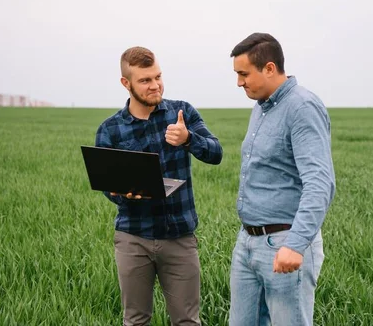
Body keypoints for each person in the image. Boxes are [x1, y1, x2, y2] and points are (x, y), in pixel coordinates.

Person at [95, 46, 223, 326]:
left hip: (179, 237)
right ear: (126, 84)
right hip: (133, 237)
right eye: (145, 80)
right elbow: (107, 184)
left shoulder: (182, 112)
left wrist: (189, 138)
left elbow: (216, 153)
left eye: (158, 77)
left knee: (187, 321)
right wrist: (120, 193)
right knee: (136, 320)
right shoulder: (110, 129)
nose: (155, 85)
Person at [228, 33, 335, 326]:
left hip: (285, 244)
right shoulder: (261, 107)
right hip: (248, 242)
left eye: (244, 74)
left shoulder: (302, 107)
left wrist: (297, 244)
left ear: (270, 68)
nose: (239, 82)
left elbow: (319, 182)